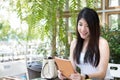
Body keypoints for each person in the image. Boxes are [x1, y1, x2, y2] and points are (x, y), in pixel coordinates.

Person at [58, 7, 110, 80]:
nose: (83, 29)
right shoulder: (74, 43)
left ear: (94, 27)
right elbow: (72, 71)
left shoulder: (102, 43)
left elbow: (102, 74)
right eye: (80, 24)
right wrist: (64, 75)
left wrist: (84, 76)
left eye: (87, 26)